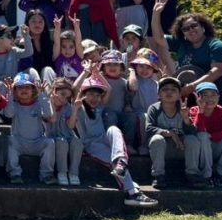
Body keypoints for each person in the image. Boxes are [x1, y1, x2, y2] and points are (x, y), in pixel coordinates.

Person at [73, 75, 158, 207]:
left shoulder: (99, 107)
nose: (94, 98)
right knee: (113, 161)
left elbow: (109, 89)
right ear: (83, 95)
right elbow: (75, 88)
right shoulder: (78, 108)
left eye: (97, 95)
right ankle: (132, 193)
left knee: (113, 129)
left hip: (103, 137)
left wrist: (97, 74)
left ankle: (121, 161)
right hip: (91, 144)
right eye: (90, 94)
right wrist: (86, 72)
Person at [152, 0, 222, 98]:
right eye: (185, 29)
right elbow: (158, 38)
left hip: (215, 97)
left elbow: (217, 71)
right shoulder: (181, 44)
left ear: (203, 27)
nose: (190, 30)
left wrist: (191, 87)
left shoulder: (216, 45)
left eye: (194, 26)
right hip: (189, 97)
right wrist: (155, 14)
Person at [145, 76, 203, 188]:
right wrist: (170, 133)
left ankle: (192, 174)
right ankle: (158, 176)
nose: (169, 92)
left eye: (173, 89)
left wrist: (186, 119)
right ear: (159, 94)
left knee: (192, 140)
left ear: (179, 95)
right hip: (161, 149)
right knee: (157, 139)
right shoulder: (154, 109)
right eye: (165, 89)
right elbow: (149, 128)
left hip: (180, 148)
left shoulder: (183, 109)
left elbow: (192, 132)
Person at [3, 72, 55, 184]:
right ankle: (14, 174)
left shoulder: (38, 103)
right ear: (15, 91)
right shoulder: (14, 105)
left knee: (49, 143)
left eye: (27, 87)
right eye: (20, 87)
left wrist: (42, 95)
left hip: (37, 142)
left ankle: (46, 174)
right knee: (10, 140)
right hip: (19, 143)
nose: (24, 90)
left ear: (33, 90)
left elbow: (48, 114)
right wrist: (10, 94)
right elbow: (8, 114)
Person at [45, 78, 82, 186]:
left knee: (77, 142)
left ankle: (74, 173)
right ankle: (62, 172)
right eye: (62, 94)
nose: (64, 99)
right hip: (53, 136)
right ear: (54, 90)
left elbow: (71, 126)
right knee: (62, 142)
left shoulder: (67, 107)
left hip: (68, 135)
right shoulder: (45, 104)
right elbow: (53, 119)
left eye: (67, 98)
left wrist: (75, 109)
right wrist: (52, 103)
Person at [18, 9, 55, 80]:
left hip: (47, 79)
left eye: (40, 22)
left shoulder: (50, 43)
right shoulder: (21, 43)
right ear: (27, 24)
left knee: (47, 70)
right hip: (28, 79)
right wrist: (26, 38)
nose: (37, 24)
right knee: (32, 71)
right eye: (33, 21)